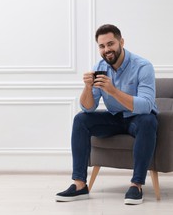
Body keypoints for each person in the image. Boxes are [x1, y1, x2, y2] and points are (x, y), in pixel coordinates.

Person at [55, 24, 158, 205]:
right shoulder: (100, 67)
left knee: (149, 120)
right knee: (81, 119)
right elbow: (88, 108)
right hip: (116, 118)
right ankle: (79, 185)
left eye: (110, 44)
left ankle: (136, 185)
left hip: (138, 119)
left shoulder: (143, 66)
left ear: (121, 42)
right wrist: (87, 87)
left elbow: (146, 105)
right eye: (102, 46)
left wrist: (113, 91)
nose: (106, 50)